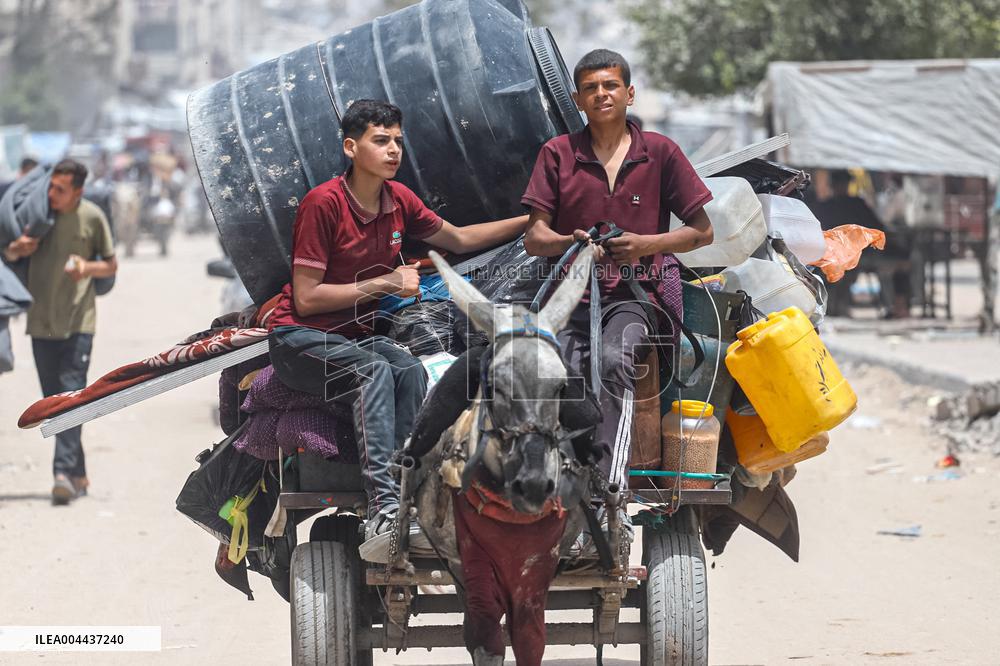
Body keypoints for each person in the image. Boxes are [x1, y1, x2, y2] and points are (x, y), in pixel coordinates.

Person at [266, 99, 529, 558]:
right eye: (381, 141)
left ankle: (413, 497)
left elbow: (461, 238)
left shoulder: (399, 200)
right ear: (351, 147)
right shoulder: (322, 204)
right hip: (301, 340)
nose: (393, 151)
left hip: (352, 338)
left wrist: (538, 220)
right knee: (374, 372)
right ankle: (384, 509)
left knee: (408, 369)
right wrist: (386, 281)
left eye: (398, 142)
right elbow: (307, 298)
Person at [521, 49, 714, 535]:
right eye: (590, 88)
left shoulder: (662, 153)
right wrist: (573, 241)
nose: (601, 94)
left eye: (610, 86)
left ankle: (610, 493)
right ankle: (553, 488)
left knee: (612, 361)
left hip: (634, 297)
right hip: (568, 297)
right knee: (554, 372)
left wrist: (645, 245)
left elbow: (701, 232)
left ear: (629, 93)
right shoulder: (557, 153)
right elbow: (534, 236)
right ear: (577, 99)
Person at [2, 158, 117, 504]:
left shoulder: (93, 217)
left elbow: (111, 265)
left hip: (78, 323)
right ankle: (79, 472)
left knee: (69, 395)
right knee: (56, 401)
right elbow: (8, 254)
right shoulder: (36, 218)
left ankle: (62, 474)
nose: (51, 194)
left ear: (78, 192)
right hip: (40, 324)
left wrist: (87, 267)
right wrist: (15, 250)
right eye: (51, 186)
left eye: (61, 190)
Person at [813, 170, 911, 318]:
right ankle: (838, 306)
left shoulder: (853, 203)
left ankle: (899, 306)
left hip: (855, 254)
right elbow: (878, 228)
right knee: (902, 259)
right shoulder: (833, 205)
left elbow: (876, 228)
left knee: (903, 259)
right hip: (842, 257)